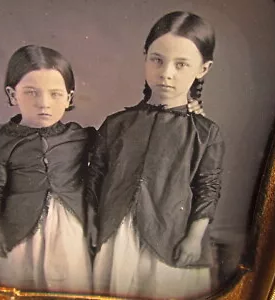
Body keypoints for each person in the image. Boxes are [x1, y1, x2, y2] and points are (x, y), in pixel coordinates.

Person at [88, 11, 225, 299]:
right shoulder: (117, 124)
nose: (166, 73)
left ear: (203, 68)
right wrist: (91, 219)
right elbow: (95, 176)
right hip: (117, 233)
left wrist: (193, 238)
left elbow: (207, 189)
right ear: (145, 57)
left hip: (171, 234)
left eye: (181, 64)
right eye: (157, 60)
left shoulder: (204, 133)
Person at [0, 45, 93, 293]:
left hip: (69, 225)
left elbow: (123, 138)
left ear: (69, 97)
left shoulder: (81, 137)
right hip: (19, 225)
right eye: (31, 92)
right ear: (12, 94)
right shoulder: (0, 142)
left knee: (70, 280)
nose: (44, 104)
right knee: (22, 279)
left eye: (55, 94)